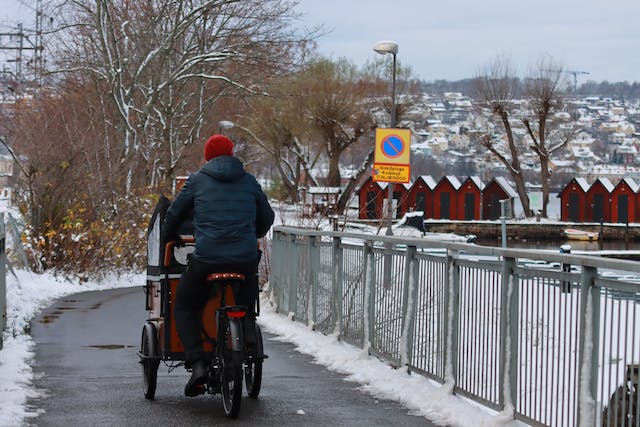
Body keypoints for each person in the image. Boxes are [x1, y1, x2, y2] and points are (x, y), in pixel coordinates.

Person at [163, 134, 274, 397]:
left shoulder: (197, 180)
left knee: (185, 304)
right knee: (245, 300)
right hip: (244, 260)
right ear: (232, 154)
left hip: (207, 259)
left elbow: (174, 213)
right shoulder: (249, 181)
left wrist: (171, 236)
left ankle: (198, 364)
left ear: (208, 155)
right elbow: (266, 218)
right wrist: (252, 233)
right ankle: (246, 334)